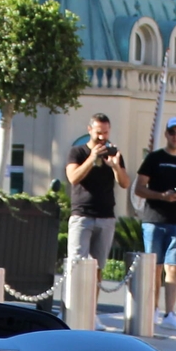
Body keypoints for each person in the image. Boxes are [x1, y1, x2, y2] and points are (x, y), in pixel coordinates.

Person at [135, 118, 176, 331]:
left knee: (174, 267)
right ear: (166, 134)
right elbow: (139, 188)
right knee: (154, 268)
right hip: (154, 219)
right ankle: (152, 309)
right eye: (172, 132)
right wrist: (162, 196)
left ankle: (170, 312)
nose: (175, 136)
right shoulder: (154, 158)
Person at [64, 113, 128, 279]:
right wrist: (92, 158)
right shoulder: (77, 152)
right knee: (76, 265)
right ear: (89, 130)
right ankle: (74, 305)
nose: (102, 137)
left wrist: (115, 167)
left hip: (106, 217)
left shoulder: (114, 153)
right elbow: (73, 177)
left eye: (105, 133)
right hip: (82, 215)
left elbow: (125, 183)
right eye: (98, 132)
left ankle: (92, 305)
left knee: (98, 268)